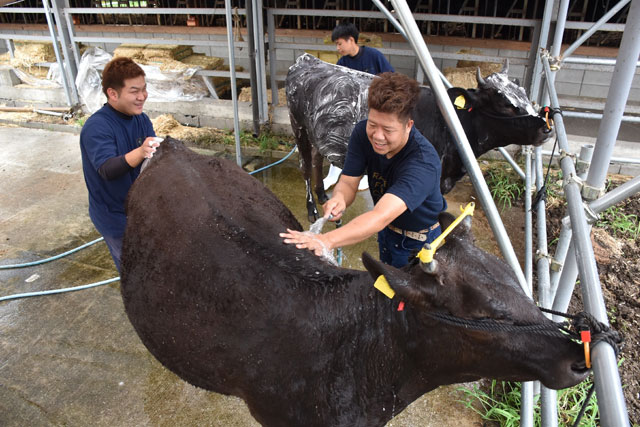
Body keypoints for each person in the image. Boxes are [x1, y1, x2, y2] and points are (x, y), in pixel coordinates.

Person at [281, 72, 446, 268]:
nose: (377, 136)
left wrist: (326, 240)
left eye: (388, 129)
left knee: (406, 296)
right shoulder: (362, 133)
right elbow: (349, 181)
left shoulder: (422, 163)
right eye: (372, 124)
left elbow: (379, 216)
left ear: (408, 126)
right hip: (387, 232)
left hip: (419, 242)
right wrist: (339, 199)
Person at [80, 56, 158, 273]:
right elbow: (107, 169)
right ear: (112, 94)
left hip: (138, 207)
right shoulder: (97, 127)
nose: (142, 96)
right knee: (134, 270)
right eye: (134, 91)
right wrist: (141, 151)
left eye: (144, 89)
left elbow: (151, 157)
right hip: (114, 215)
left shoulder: (141, 119)